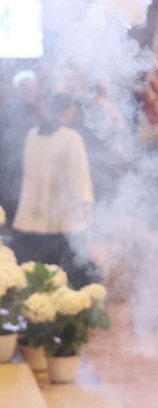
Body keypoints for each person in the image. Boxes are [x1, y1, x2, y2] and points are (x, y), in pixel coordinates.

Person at [11, 93, 102, 289]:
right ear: (68, 111)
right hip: (60, 217)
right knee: (66, 273)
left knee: (33, 274)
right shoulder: (71, 137)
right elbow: (78, 176)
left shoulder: (33, 134)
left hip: (31, 214)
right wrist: (84, 202)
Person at [0, 70, 42, 225]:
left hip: (23, 177)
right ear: (18, 89)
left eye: (32, 87)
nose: (31, 91)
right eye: (26, 87)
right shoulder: (12, 110)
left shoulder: (32, 107)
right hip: (13, 177)